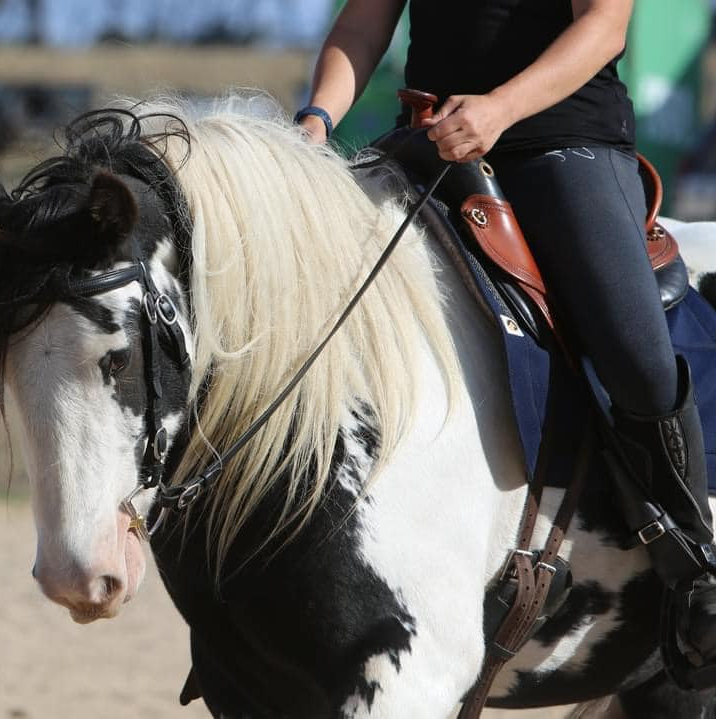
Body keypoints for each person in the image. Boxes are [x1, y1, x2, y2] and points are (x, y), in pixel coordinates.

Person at [297, 0, 716, 680]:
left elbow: (604, 28)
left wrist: (498, 109)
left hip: (560, 142)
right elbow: (362, 22)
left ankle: (694, 562)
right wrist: (315, 121)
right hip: (428, 140)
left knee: (638, 356)